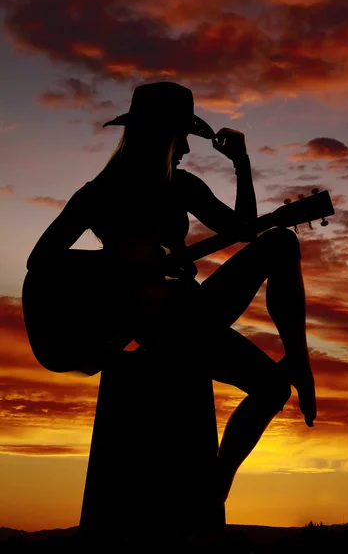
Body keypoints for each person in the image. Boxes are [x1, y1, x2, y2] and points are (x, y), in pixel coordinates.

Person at [25, 81, 316, 503]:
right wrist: (119, 264)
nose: (186, 149)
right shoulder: (99, 192)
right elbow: (42, 260)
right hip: (148, 323)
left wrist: (242, 165)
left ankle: (216, 483)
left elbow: (243, 232)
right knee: (272, 386)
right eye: (181, 136)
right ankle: (214, 486)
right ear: (161, 134)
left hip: (187, 311)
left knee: (280, 245)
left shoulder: (182, 185)